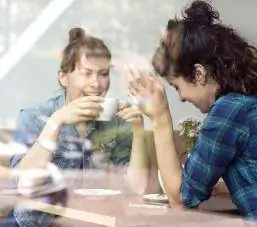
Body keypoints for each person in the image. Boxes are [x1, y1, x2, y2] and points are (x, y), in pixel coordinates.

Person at [126, 1, 257, 226]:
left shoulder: (229, 111)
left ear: (199, 74)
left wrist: (160, 118)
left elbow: (180, 200)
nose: (181, 97)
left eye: (177, 86)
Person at [1, 27, 150, 227]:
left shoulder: (117, 121)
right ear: (64, 77)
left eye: (103, 74)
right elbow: (25, 186)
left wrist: (139, 130)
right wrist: (56, 122)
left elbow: (137, 188)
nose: (96, 84)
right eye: (86, 73)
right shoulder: (34, 117)